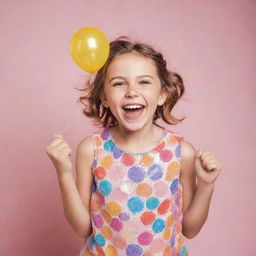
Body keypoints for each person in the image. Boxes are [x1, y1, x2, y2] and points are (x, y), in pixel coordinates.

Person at [46, 36, 222, 256]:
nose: (131, 91)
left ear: (162, 94)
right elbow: (83, 227)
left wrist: (206, 185)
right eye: (119, 83)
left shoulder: (181, 152)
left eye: (144, 82)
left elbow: (190, 229)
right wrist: (63, 172)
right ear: (105, 97)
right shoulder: (91, 150)